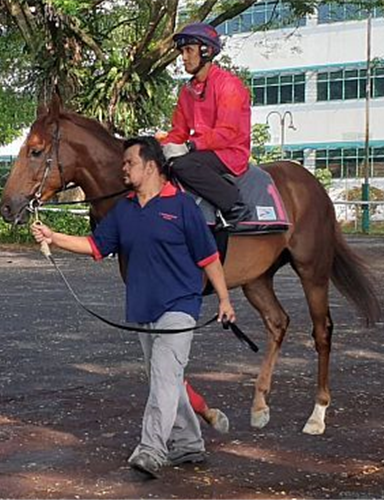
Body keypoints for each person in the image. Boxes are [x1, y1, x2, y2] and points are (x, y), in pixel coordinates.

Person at [31, 136, 236, 479]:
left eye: (129, 163)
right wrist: (54, 238)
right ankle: (188, 444)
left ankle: (152, 449)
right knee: (166, 379)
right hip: (142, 309)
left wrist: (225, 299)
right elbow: (96, 246)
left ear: (151, 167)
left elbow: (209, 257)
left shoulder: (182, 206)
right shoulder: (124, 209)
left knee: (164, 377)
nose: (123, 168)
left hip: (180, 306)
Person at [158, 22, 252, 223]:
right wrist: (162, 148)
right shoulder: (187, 91)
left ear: (206, 51)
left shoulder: (229, 85)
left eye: (189, 50)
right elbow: (178, 132)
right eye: (182, 51)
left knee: (182, 165)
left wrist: (189, 146)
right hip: (201, 152)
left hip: (229, 153)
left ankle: (235, 205)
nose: (183, 57)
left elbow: (226, 133)